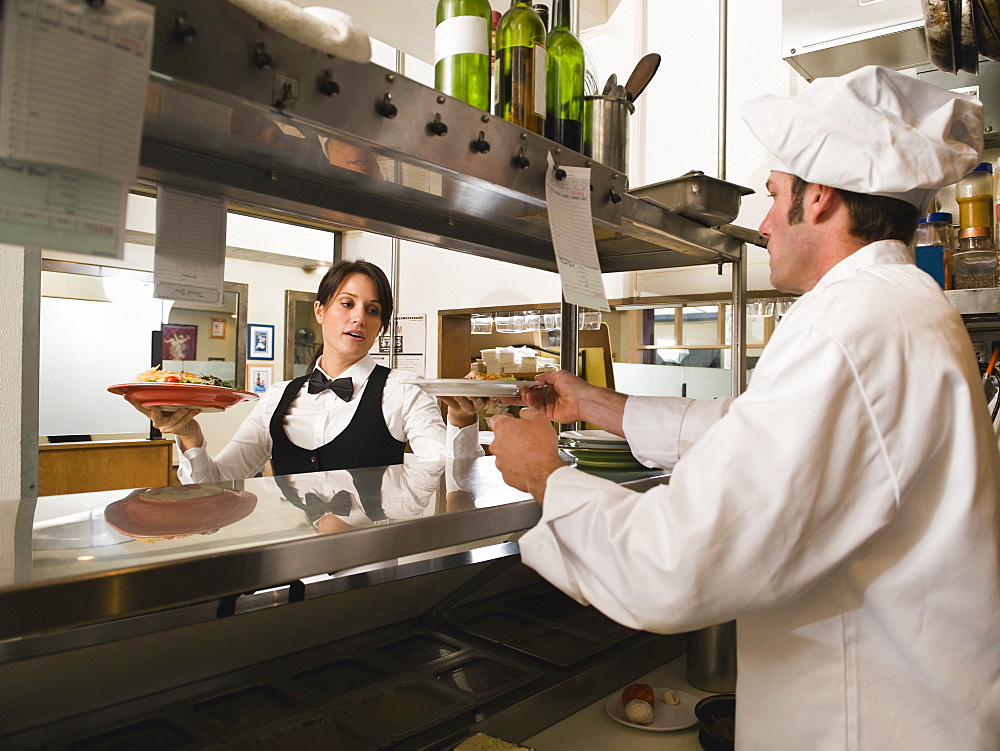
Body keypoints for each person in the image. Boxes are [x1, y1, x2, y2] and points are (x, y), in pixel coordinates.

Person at [489, 66, 1000, 749]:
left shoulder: (848, 325)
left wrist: (544, 474)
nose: (762, 225)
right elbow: (752, 434)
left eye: (774, 195)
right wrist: (596, 405)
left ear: (818, 198)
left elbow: (674, 562)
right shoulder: (899, 306)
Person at [134, 259, 485, 481]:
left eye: (373, 310)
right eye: (347, 304)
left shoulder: (402, 388)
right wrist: (191, 436)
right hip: (290, 573)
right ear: (320, 311)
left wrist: (463, 422)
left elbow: (451, 478)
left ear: (380, 326)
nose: (359, 317)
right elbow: (215, 483)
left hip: (368, 571)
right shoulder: (276, 397)